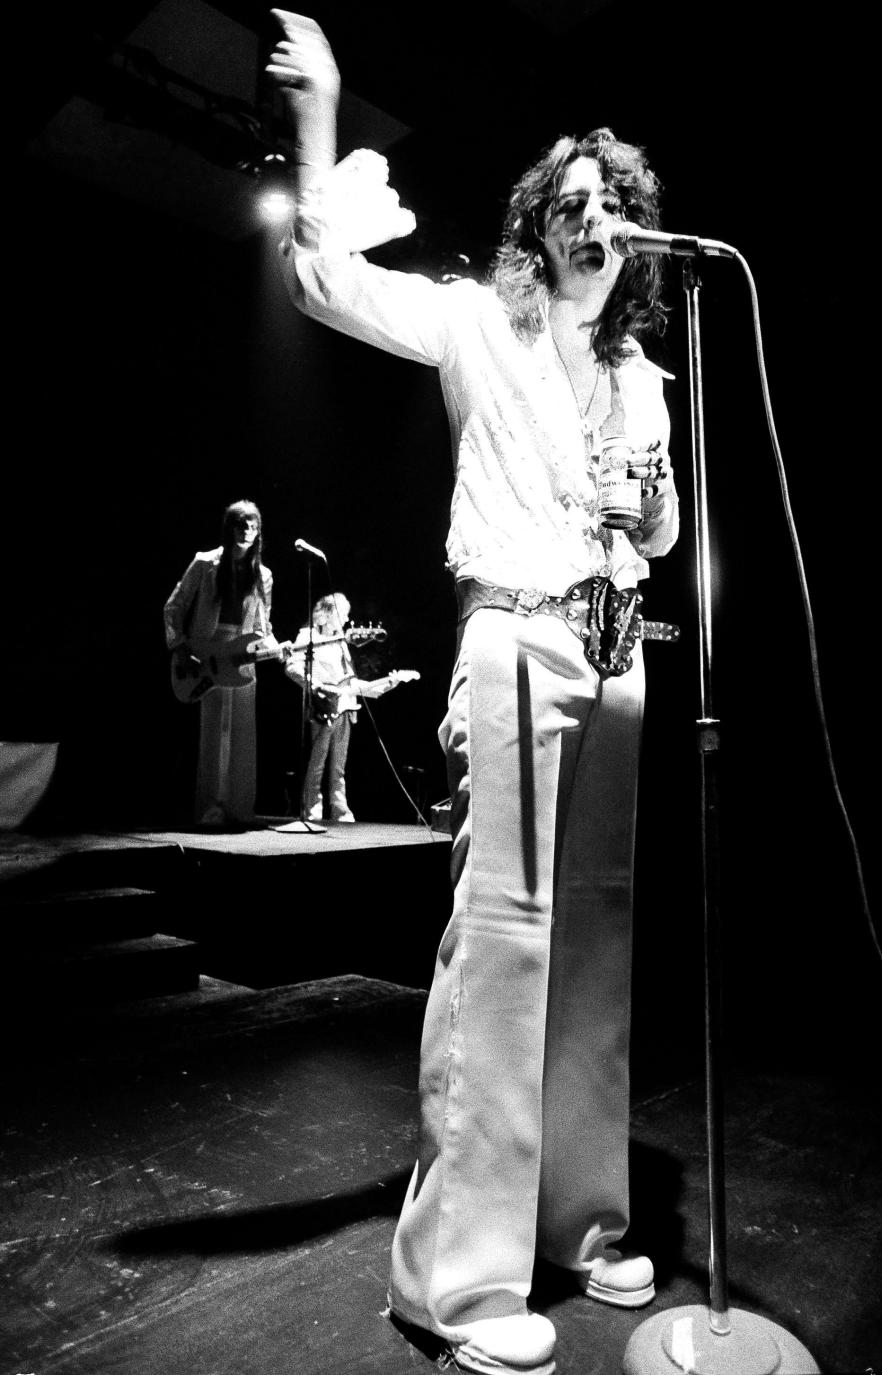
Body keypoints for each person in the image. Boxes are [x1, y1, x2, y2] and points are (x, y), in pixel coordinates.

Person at [268, 14, 680, 1374]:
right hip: (508, 641)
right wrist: (325, 112)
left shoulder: (641, 379)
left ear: (634, 232)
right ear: (534, 227)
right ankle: (461, 1274)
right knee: (504, 941)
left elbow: (657, 537)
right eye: (567, 202)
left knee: (600, 947)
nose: (589, 218)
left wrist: (649, 501)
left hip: (616, 656)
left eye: (610, 202)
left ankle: (585, 1216)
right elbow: (326, 280)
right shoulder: (471, 324)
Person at [164, 499, 277, 829]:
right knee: (214, 732)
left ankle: (240, 807)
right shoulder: (205, 563)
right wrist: (180, 646)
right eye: (241, 525)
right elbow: (174, 607)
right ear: (229, 528)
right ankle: (211, 807)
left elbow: (263, 625)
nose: (247, 531)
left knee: (243, 732)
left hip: (244, 654)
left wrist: (276, 650)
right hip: (207, 652)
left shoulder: (263, 575)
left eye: (253, 526)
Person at [284, 591, 392, 823]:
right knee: (317, 764)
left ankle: (341, 812)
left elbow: (349, 680)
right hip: (322, 707)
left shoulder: (342, 643)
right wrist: (315, 686)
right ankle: (312, 812)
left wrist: (385, 685)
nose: (345, 620)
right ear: (324, 615)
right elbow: (292, 666)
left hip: (345, 708)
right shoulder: (307, 636)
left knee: (339, 769)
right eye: (341, 614)